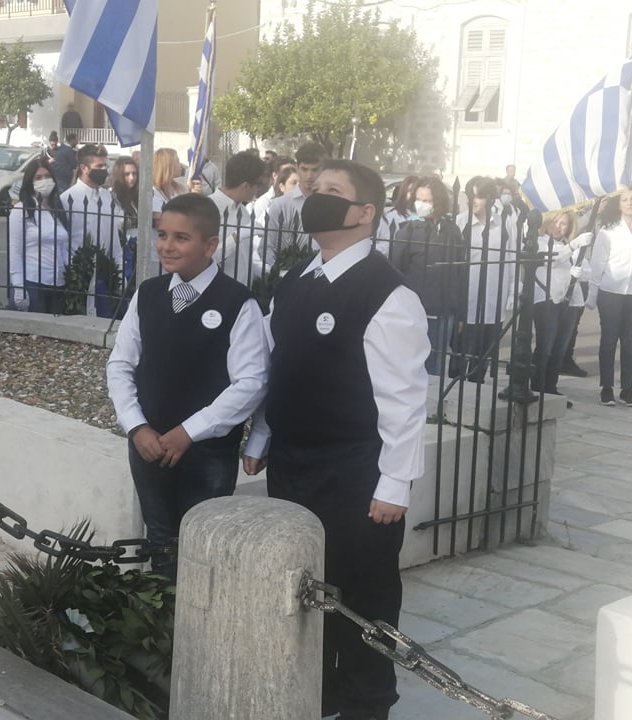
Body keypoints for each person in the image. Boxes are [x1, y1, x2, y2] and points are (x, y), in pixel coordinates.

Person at [243, 159, 429, 720]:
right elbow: (282, 366)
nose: (314, 196)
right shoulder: (298, 279)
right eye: (313, 187)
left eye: (331, 191)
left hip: (356, 472)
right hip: (295, 465)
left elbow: (404, 400)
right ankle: (317, 693)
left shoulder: (388, 295)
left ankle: (368, 702)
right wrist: (262, 435)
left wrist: (394, 484)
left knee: (364, 596)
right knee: (307, 588)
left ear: (365, 212)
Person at [106, 193, 270, 579]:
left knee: (201, 549)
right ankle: (163, 612)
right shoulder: (148, 294)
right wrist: (136, 426)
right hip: (148, 446)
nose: (167, 246)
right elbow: (120, 363)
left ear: (210, 245)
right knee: (160, 541)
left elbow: (251, 382)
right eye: (162, 234)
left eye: (181, 238)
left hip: (206, 453)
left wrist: (189, 432)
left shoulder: (237, 303)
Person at [388, 175, 466, 376]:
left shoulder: (452, 232)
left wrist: (459, 313)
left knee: (435, 368)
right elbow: (396, 271)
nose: (420, 204)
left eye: (426, 200)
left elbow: (459, 273)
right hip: (414, 313)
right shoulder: (408, 230)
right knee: (411, 367)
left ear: (438, 202)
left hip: (444, 312)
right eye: (418, 199)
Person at [451, 177, 517, 383]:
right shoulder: (460, 222)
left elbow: (512, 259)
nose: (474, 201)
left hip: (493, 298)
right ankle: (455, 387)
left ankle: (476, 384)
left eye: (479, 196)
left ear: (490, 198)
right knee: (459, 351)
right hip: (467, 297)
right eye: (471, 196)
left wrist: (513, 289)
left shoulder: (505, 223)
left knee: (483, 353)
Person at [586, 184, 632, 407]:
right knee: (609, 340)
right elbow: (597, 265)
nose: (630, 203)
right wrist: (592, 294)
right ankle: (606, 388)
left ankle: (627, 389)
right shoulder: (608, 231)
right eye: (625, 199)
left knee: (631, 341)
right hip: (610, 292)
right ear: (618, 204)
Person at [531, 210, 592, 397]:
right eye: (555, 222)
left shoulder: (570, 245)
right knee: (546, 346)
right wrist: (573, 246)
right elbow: (551, 259)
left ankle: (551, 388)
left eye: (563, 223)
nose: (558, 227)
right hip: (547, 299)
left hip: (570, 301)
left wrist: (579, 272)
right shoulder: (540, 241)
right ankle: (538, 386)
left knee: (560, 347)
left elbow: (588, 271)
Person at [61, 144, 118, 318]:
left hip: (106, 271)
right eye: (99, 166)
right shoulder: (67, 199)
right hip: (79, 273)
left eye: (105, 165)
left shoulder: (107, 197)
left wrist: (119, 264)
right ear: (84, 168)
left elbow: (113, 235)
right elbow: (63, 240)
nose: (104, 170)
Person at [9, 159, 70, 314]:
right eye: (38, 177)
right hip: (33, 282)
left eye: (47, 176)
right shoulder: (21, 210)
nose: (44, 181)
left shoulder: (58, 210)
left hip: (58, 283)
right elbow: (15, 251)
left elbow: (64, 247)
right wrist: (19, 287)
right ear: (30, 182)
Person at [263, 142, 328, 266]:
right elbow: (267, 247)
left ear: (323, 169)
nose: (309, 176)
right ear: (297, 168)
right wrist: (283, 270)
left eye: (315, 170)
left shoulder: (331, 203)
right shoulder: (280, 205)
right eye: (304, 169)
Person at [209, 152, 267, 283]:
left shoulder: (243, 211)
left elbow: (244, 259)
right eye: (258, 184)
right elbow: (205, 258)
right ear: (246, 186)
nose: (258, 189)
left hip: (242, 288)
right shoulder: (208, 208)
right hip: (218, 289)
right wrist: (236, 237)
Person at [111, 156, 140, 295]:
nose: (131, 178)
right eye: (127, 174)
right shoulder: (112, 197)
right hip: (122, 251)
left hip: (138, 251)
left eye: (134, 174)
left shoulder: (137, 197)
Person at [251, 156, 297, 225]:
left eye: (294, 171)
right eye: (286, 172)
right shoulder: (263, 202)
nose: (291, 174)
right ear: (275, 175)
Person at [152, 148, 189, 217]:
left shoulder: (180, 188)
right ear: (168, 165)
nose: (180, 166)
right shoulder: (154, 192)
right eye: (177, 162)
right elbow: (159, 219)